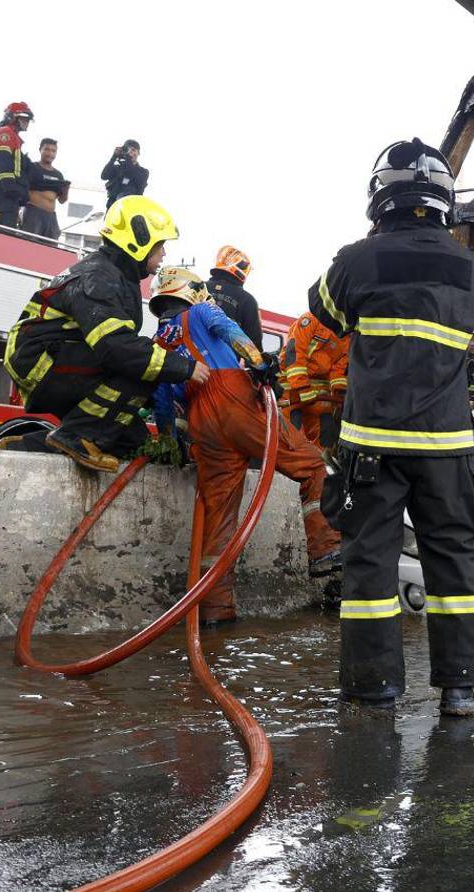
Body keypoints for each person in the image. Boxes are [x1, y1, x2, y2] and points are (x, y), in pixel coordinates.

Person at [308, 138, 474, 714]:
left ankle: (373, 689)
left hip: (372, 446)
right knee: (454, 558)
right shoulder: (473, 271)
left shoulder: (355, 260)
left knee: (370, 561)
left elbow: (325, 313)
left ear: (379, 198)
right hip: (447, 447)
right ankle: (464, 686)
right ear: (444, 198)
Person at [149, 267, 341, 626]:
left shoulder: (159, 343)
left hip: (201, 424)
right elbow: (229, 330)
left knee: (219, 518)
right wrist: (258, 362)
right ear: (193, 291)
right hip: (233, 399)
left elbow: (163, 403)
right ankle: (325, 550)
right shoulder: (202, 310)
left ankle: (216, 610)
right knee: (312, 463)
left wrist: (173, 445)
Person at [3, 195, 204, 472]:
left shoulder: (117, 276)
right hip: (39, 362)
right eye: (160, 246)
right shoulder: (98, 277)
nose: (163, 255)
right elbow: (117, 348)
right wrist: (184, 367)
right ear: (138, 241)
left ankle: (19, 450)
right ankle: (74, 436)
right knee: (143, 366)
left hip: (52, 356)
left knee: (130, 442)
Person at [279, 311, 350, 450]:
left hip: (321, 388)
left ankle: (321, 466)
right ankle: (285, 463)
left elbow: (339, 367)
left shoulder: (347, 335)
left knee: (325, 430)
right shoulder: (311, 320)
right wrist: (301, 387)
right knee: (289, 432)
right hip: (292, 384)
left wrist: (339, 393)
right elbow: (294, 352)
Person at [207, 246, 263, 349]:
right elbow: (254, 346)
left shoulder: (197, 287)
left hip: (188, 359)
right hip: (224, 362)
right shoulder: (247, 300)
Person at [0, 102, 34, 229]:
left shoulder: (14, 137)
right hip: (2, 199)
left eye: (28, 119)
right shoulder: (5, 133)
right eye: (24, 118)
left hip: (10, 200)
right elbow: (2, 164)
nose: (27, 122)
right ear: (13, 117)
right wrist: (15, 190)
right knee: (0, 242)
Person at [22, 138, 70, 240]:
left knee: (50, 250)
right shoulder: (32, 167)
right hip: (33, 214)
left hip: (51, 217)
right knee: (28, 247)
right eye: (47, 149)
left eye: (53, 151)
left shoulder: (58, 174)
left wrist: (66, 189)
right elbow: (21, 190)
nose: (50, 153)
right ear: (40, 150)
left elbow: (62, 200)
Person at [100, 139, 148, 208]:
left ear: (138, 153)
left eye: (133, 150)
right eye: (128, 150)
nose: (130, 152)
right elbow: (104, 176)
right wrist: (114, 157)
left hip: (130, 207)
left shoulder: (143, 172)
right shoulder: (117, 168)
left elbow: (130, 174)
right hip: (112, 208)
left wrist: (128, 158)